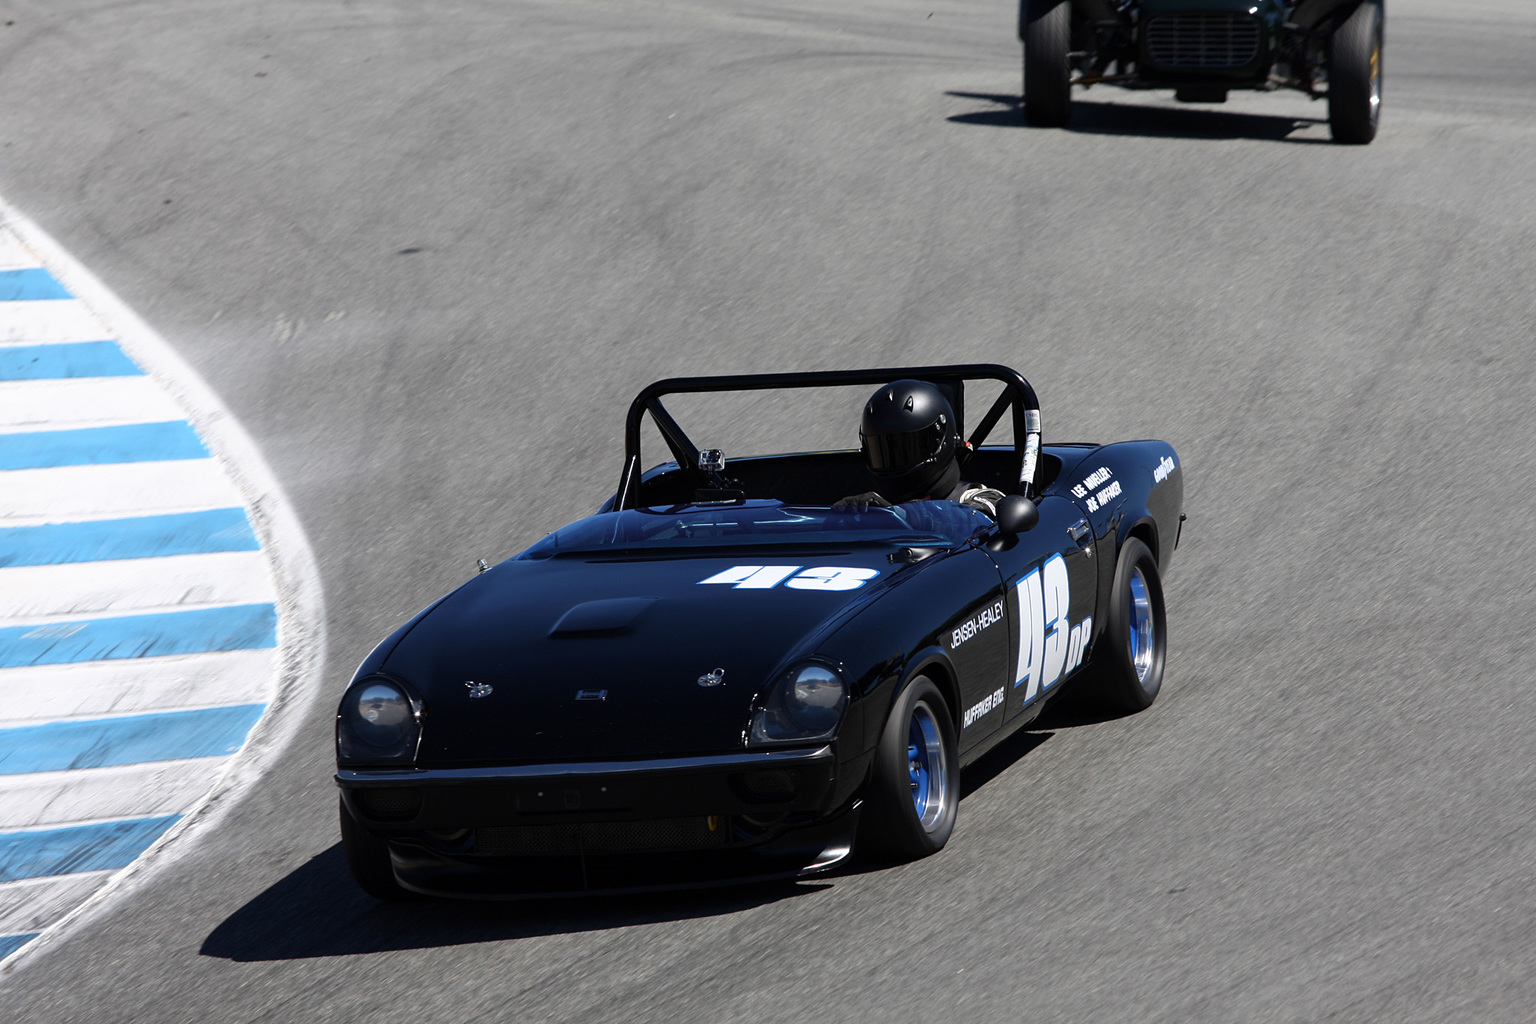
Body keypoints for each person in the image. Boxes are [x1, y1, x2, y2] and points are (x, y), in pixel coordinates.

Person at [836, 380, 1005, 516]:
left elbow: (971, 520)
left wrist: (901, 516)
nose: (896, 461)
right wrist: (838, 521)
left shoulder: (981, 500)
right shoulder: (869, 507)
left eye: (907, 449)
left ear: (940, 441)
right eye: (884, 452)